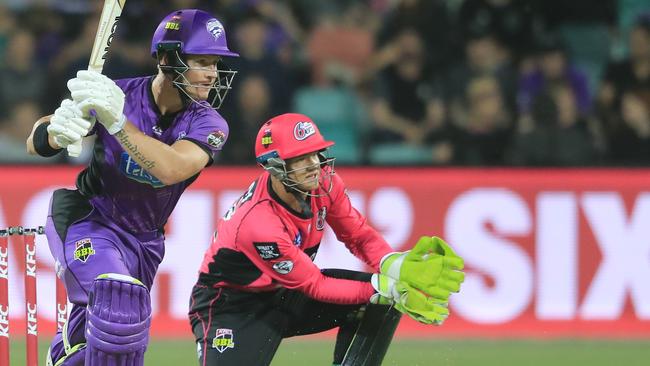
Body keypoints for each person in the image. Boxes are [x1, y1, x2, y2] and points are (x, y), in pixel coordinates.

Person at [25, 9, 239, 366]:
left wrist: (117, 122)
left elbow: (171, 168)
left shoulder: (209, 123)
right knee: (118, 308)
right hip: (89, 220)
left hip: (143, 242)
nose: (213, 74)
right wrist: (57, 130)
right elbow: (36, 141)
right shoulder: (119, 95)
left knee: (118, 344)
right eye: (203, 61)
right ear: (169, 59)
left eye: (215, 64)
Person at [188, 112, 465, 365]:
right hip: (231, 306)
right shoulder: (259, 224)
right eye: (301, 158)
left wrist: (393, 265)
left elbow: (357, 235)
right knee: (381, 292)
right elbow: (314, 284)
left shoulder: (326, 182)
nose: (314, 165)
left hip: (285, 292)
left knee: (380, 301)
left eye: (316, 154)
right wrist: (386, 287)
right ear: (274, 166)